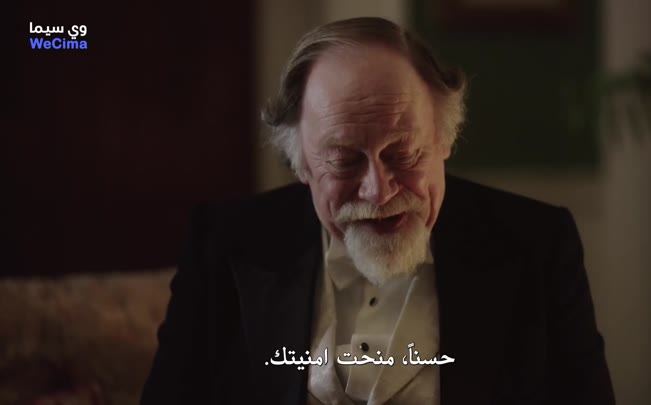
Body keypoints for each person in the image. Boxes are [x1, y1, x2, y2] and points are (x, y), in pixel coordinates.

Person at [141, 17, 615, 405]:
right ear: (302, 164)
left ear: (444, 139)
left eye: (403, 154)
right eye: (345, 160)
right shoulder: (223, 243)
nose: (378, 190)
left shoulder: (538, 245)